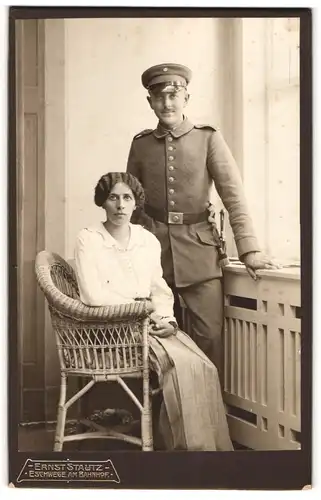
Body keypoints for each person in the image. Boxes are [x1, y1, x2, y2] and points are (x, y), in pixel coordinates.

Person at [126, 62, 278, 382]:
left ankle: (206, 423)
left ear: (186, 98)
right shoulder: (140, 144)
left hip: (200, 251)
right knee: (153, 340)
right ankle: (161, 425)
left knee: (210, 339)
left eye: (174, 94)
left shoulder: (208, 138)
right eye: (159, 96)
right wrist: (129, 256)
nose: (167, 103)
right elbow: (132, 205)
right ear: (150, 101)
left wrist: (249, 250)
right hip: (153, 254)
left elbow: (233, 196)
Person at [74, 171, 233, 451]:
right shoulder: (89, 239)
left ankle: (208, 451)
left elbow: (158, 287)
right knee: (178, 365)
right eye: (113, 198)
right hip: (110, 328)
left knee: (202, 366)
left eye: (127, 198)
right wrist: (141, 310)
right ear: (102, 202)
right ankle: (184, 451)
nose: (121, 206)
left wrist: (168, 320)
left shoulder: (146, 239)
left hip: (149, 320)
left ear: (136, 203)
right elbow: (92, 295)